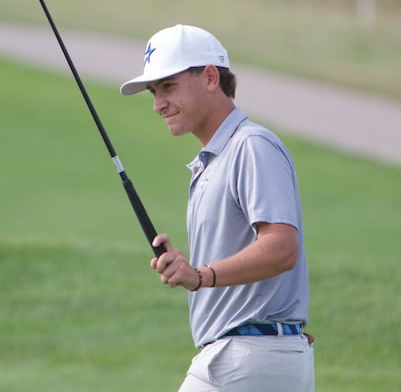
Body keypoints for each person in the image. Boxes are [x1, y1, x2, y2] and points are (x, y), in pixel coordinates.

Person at [120, 24, 314, 391]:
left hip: (244, 358)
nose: (158, 104)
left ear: (210, 77)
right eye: (153, 91)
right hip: (260, 355)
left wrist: (200, 275)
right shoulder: (215, 160)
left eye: (168, 86)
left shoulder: (251, 146)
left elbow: (281, 248)